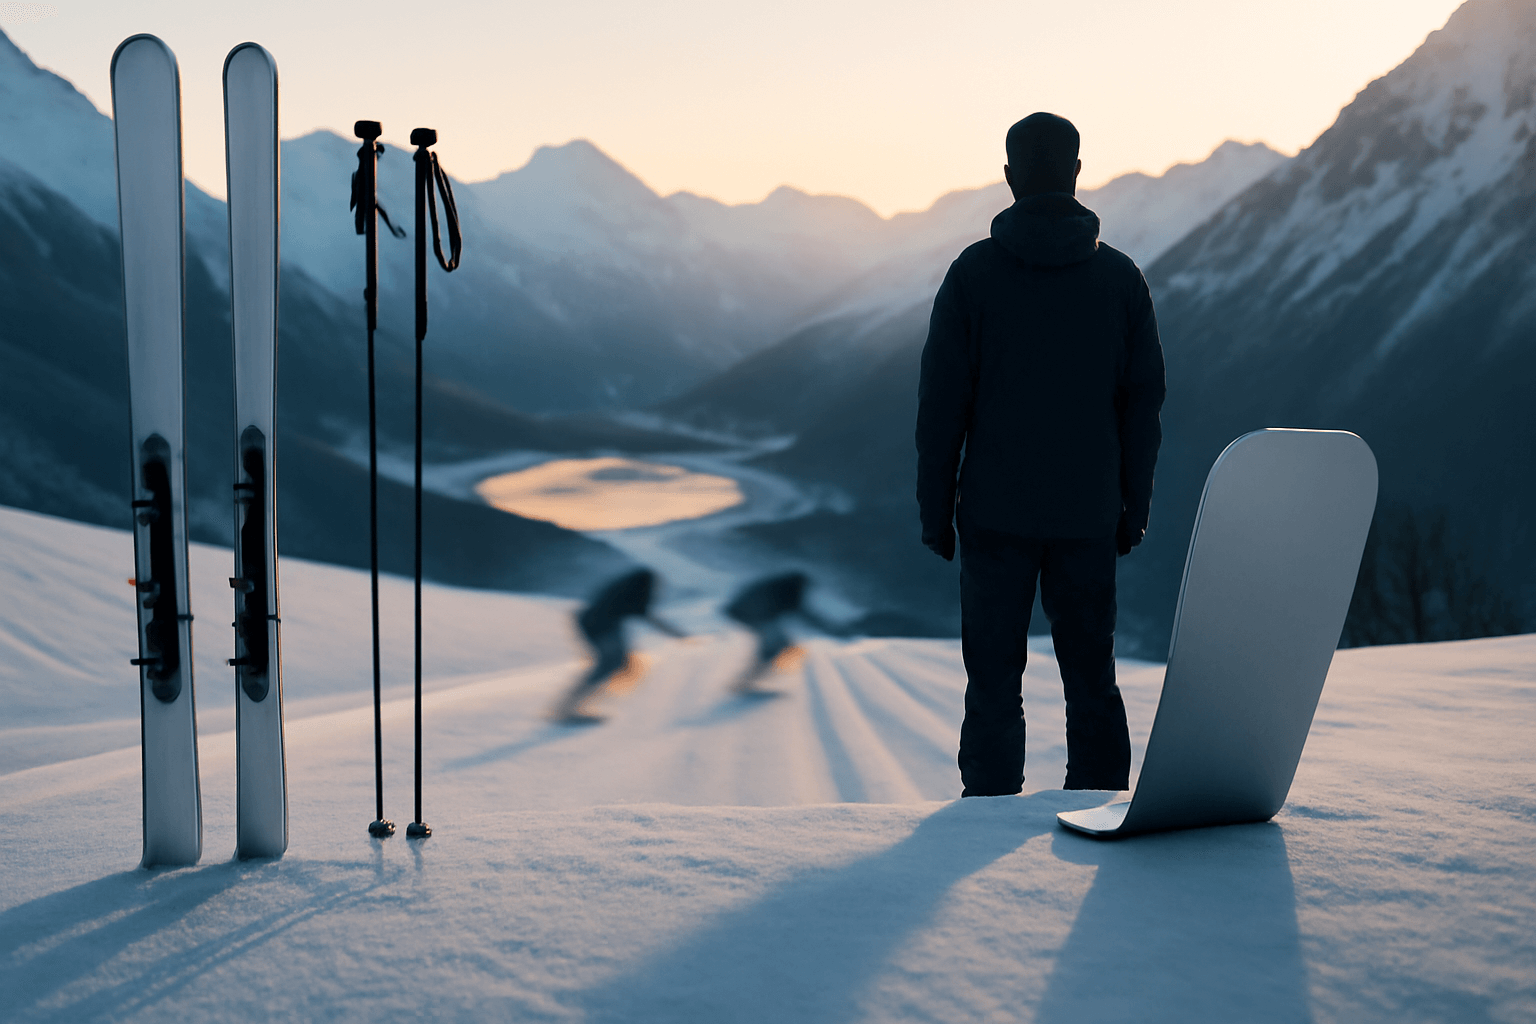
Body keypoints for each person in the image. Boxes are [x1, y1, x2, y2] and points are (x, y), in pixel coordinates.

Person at [914, 112, 1165, 797]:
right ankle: (1101, 806)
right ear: (1078, 174)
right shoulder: (1119, 280)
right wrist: (1132, 506)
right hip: (1087, 515)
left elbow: (942, 406)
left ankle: (987, 818)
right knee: (1091, 679)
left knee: (994, 684)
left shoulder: (972, 275)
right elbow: (1142, 406)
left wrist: (937, 513)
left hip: (993, 517)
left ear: (1008, 179)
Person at [554, 567, 684, 722]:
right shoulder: (635, 596)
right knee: (611, 664)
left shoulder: (621, 593)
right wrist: (676, 634)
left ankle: (570, 706)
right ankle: (567, 709)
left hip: (591, 622)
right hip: (600, 625)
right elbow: (651, 618)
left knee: (615, 664)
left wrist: (676, 634)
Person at [722, 571, 839, 691]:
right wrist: (829, 628)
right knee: (776, 647)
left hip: (749, 612)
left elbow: (799, 613)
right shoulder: (792, 590)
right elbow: (803, 614)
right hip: (752, 614)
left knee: (778, 646)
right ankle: (746, 682)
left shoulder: (784, 585)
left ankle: (749, 679)